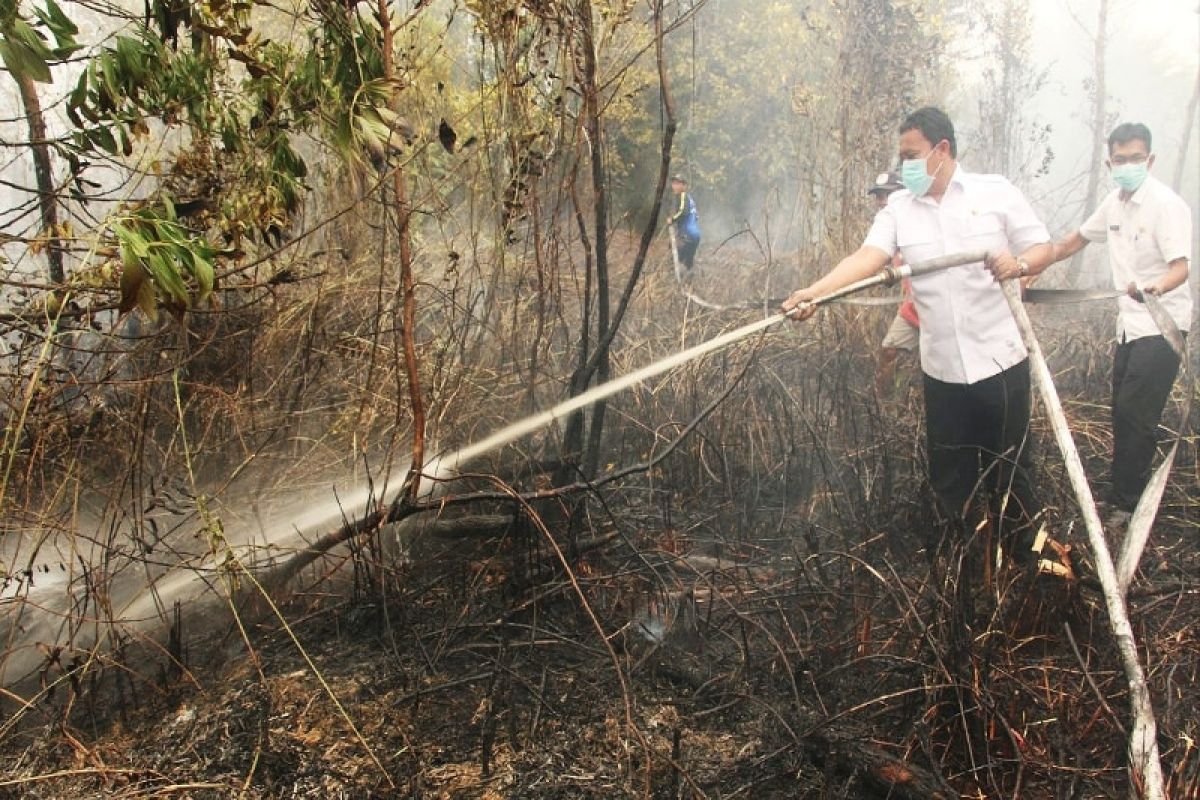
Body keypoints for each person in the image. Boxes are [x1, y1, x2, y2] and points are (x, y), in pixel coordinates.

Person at [783, 107, 1056, 562]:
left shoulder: (995, 193)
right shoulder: (899, 209)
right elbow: (867, 258)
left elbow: (1042, 245)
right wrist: (816, 292)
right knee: (951, 479)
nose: (904, 164)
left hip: (1001, 361)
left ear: (942, 150)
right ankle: (962, 573)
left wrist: (1020, 265)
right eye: (902, 155)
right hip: (943, 371)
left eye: (911, 154)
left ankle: (1028, 570)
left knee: (1012, 473)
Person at [1031, 122, 1192, 533]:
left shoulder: (1166, 205)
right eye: (1120, 160)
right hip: (1130, 326)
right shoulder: (1114, 204)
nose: (1128, 165)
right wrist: (1031, 266)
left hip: (1162, 325)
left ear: (1150, 160)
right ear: (1110, 162)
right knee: (1122, 409)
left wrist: (1155, 286)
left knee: (1137, 413)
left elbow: (1180, 269)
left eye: (1136, 158)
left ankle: (1129, 505)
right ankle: (1124, 489)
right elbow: (1074, 241)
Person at [868, 171, 921, 396]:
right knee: (888, 350)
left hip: (941, 311)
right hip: (912, 310)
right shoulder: (888, 229)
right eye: (879, 196)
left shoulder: (920, 222)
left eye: (887, 195)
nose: (881, 202)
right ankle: (883, 405)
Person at [668, 175, 701, 274]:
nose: (675, 186)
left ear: (684, 185)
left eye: (678, 183)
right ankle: (688, 285)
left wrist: (672, 219)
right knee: (688, 264)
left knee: (676, 258)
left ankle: (677, 282)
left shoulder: (683, 196)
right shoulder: (690, 199)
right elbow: (696, 216)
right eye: (673, 183)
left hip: (687, 235)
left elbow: (683, 212)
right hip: (695, 235)